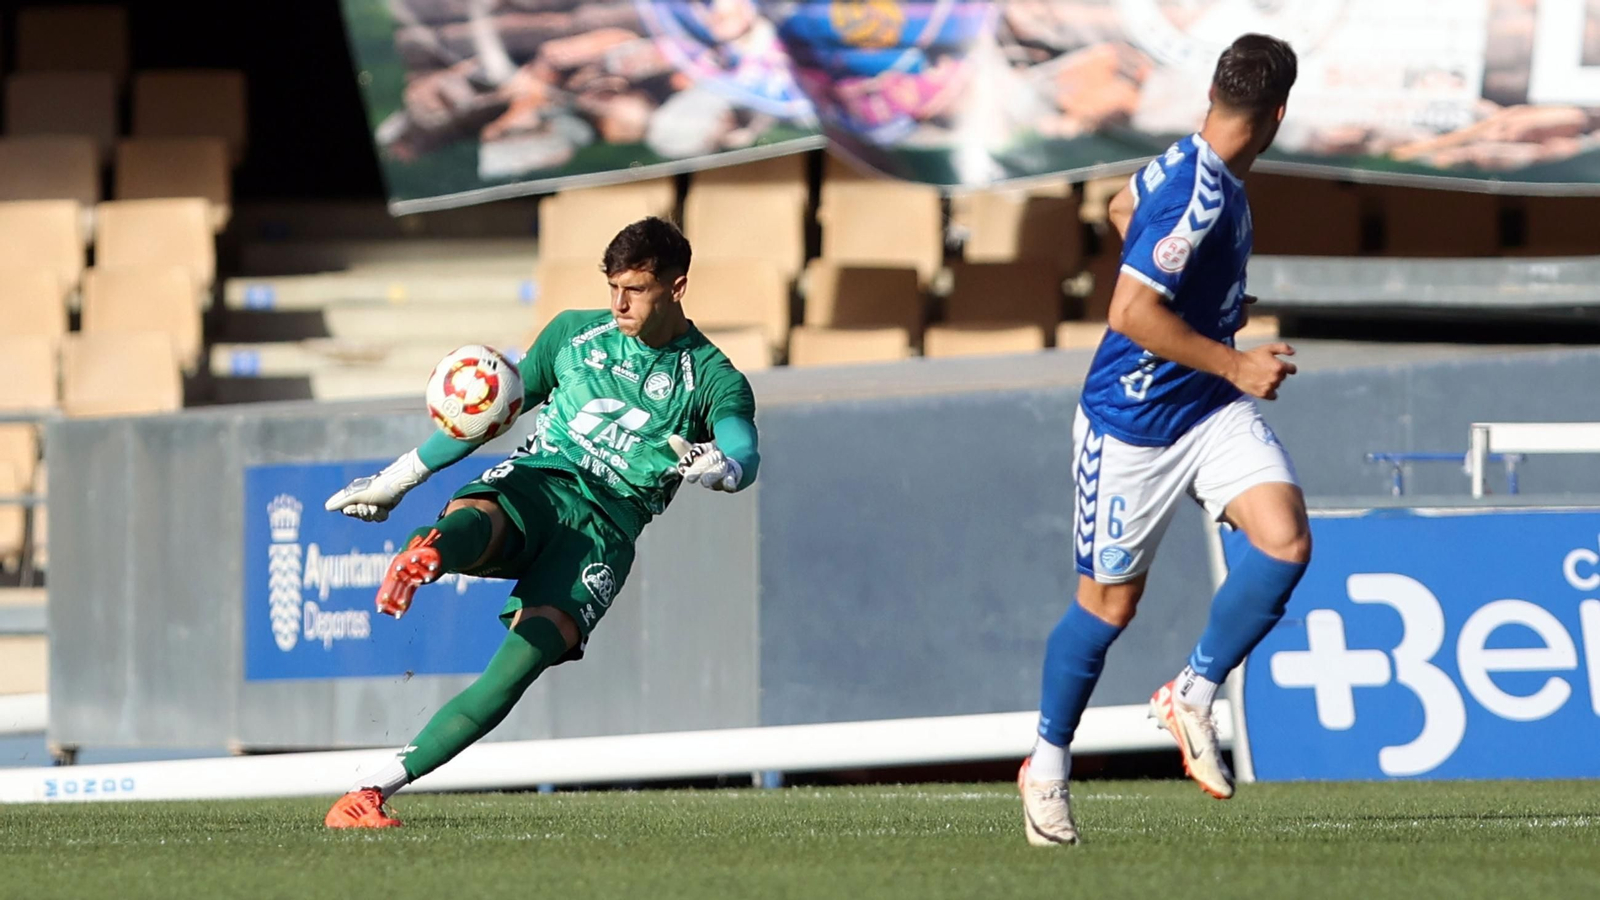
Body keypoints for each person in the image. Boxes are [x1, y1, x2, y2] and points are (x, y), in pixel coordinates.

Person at [321, 217, 760, 828]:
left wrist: (724, 467)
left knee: (519, 665)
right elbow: (487, 414)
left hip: (606, 530)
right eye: (612, 287)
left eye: (635, 289)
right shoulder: (574, 336)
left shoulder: (712, 377)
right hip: (543, 480)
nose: (619, 303)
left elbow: (743, 448)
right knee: (484, 515)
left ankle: (369, 791)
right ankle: (432, 552)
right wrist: (397, 479)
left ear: (677, 287)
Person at [1019, 34, 1309, 846]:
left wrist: (1207, 304)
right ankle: (1045, 770)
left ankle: (1192, 691)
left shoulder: (1184, 161)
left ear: (1217, 97)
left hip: (1205, 408)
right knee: (1108, 608)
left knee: (1284, 543)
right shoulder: (1199, 194)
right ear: (1278, 115)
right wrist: (1234, 361)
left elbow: (1119, 210)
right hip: (1134, 426)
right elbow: (1130, 314)